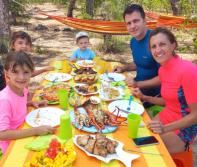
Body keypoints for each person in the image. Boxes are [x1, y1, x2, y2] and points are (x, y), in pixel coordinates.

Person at [133, 27, 197, 153]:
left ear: (173, 45)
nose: (158, 50)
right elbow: (171, 101)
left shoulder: (189, 71)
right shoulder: (162, 70)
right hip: (166, 118)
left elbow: (195, 115)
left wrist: (165, 128)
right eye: (154, 46)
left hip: (183, 129)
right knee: (136, 136)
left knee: (144, 151)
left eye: (162, 44)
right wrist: (145, 97)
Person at [0, 51, 55, 154]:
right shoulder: (4, 100)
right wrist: (35, 131)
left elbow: (16, 105)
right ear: (7, 73)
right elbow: (2, 134)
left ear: (31, 72)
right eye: (15, 72)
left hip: (24, 130)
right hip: (12, 146)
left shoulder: (23, 90)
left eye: (26, 72)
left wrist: (30, 103)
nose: (21, 77)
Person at [113, 4, 160, 102]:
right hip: (137, 90)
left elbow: (166, 76)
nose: (132, 26)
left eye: (136, 21)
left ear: (144, 20)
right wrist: (123, 68)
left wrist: (137, 84)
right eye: (129, 23)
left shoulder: (156, 41)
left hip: (155, 97)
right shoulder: (133, 41)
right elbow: (140, 62)